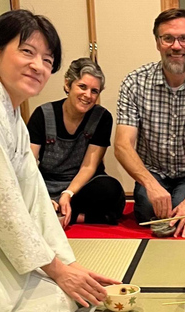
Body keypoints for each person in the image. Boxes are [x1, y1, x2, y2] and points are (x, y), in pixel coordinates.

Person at [0, 10, 118, 312]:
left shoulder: (8, 110)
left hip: (61, 193)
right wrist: (58, 271)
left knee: (75, 292)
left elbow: (33, 192)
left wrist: (68, 265)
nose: (39, 66)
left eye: (48, 59)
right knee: (64, 300)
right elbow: (4, 208)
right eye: (27, 52)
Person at [114, 8, 185, 238]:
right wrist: (151, 185)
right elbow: (122, 145)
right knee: (149, 209)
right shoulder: (134, 83)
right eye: (168, 38)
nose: (176, 46)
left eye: (184, 38)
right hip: (153, 171)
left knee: (180, 215)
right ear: (158, 43)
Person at [28, 57, 125, 227]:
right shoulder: (42, 114)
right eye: (82, 87)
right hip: (48, 184)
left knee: (112, 191)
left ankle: (59, 214)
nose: (88, 95)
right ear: (68, 85)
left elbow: (88, 166)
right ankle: (74, 215)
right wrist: (43, 197)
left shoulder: (102, 118)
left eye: (94, 91)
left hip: (82, 187)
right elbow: (29, 162)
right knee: (23, 193)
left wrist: (68, 193)